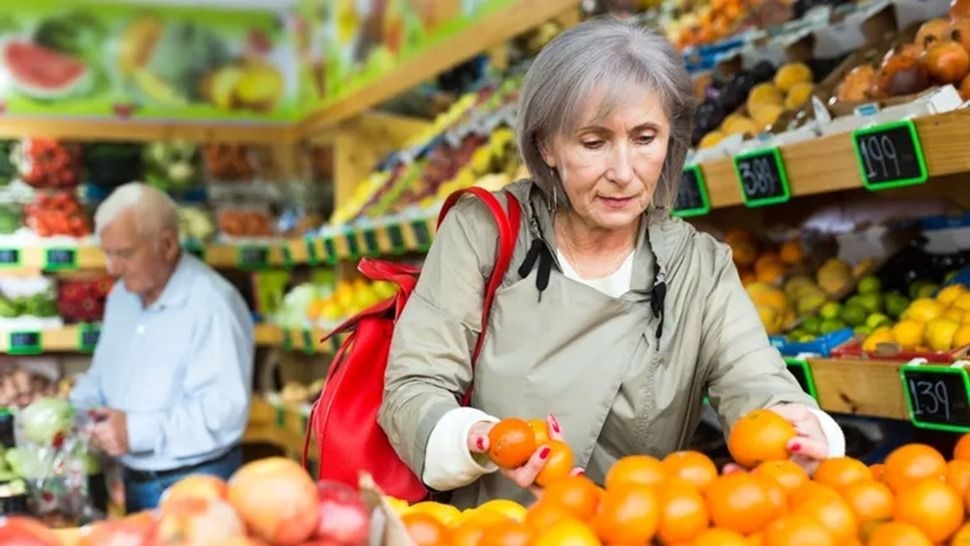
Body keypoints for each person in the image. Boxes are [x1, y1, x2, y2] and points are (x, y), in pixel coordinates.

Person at [378, 17, 846, 508]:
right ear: (546, 146)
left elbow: (755, 382)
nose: (623, 173)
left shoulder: (697, 268)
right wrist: (474, 438)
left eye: (645, 139)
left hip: (632, 527)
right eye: (594, 142)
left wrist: (800, 429)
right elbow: (415, 386)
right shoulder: (485, 234)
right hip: (495, 533)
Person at [70, 183, 254, 513]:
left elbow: (224, 413)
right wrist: (75, 409)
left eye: (123, 254)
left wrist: (136, 430)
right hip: (135, 482)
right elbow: (102, 376)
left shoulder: (212, 305)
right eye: (107, 253)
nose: (111, 268)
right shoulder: (122, 299)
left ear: (167, 245)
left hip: (196, 486)